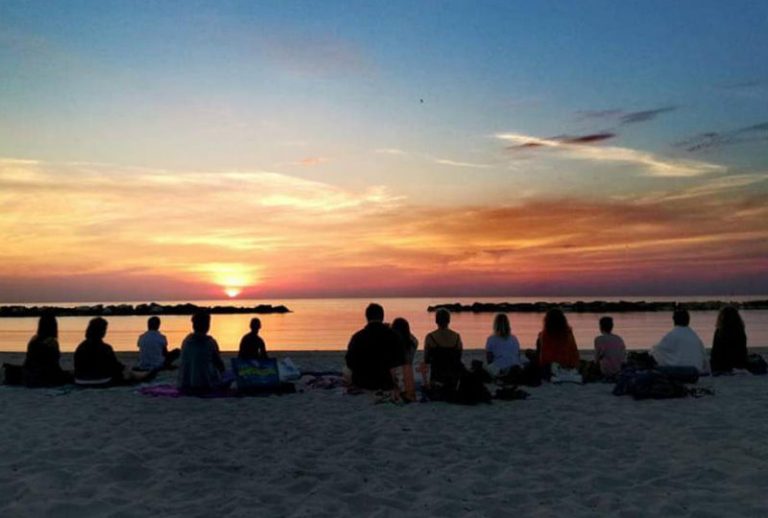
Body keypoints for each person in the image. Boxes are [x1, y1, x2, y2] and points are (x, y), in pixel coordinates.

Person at [345, 303, 404, 393]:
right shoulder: (393, 336)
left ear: (367, 317)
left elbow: (349, 361)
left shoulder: (357, 337)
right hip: (386, 381)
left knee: (345, 370)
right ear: (382, 317)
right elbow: (401, 359)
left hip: (362, 381)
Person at [74, 317, 150, 386]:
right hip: (100, 380)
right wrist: (124, 368)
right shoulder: (105, 348)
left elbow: (77, 365)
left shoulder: (80, 347)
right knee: (126, 373)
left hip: (80, 380)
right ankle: (139, 375)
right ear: (102, 332)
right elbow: (114, 366)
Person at [177, 311, 226, 394]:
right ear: (207, 325)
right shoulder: (210, 342)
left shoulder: (186, 341)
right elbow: (219, 364)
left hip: (185, 383)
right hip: (204, 384)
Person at [651, 309, 709, 373]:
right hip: (696, 371)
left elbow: (657, 351)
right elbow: (704, 356)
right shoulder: (695, 336)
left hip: (681, 371)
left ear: (674, 320)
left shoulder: (673, 334)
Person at [23, 312, 72, 387]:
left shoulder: (33, 339)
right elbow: (54, 362)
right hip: (45, 377)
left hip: (30, 376)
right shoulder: (51, 342)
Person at [423, 308, 464, 388]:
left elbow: (426, 359)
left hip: (437, 376)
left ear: (436, 321)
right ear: (449, 321)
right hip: (453, 378)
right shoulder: (456, 337)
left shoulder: (430, 337)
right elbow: (459, 356)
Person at [535, 308, 580, 374]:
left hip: (551, 366)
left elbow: (543, 356)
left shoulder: (544, 335)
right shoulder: (568, 333)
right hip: (568, 364)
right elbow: (574, 351)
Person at [710, 306, 748, 373]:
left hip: (722, 365)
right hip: (739, 364)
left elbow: (715, 353)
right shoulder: (740, 331)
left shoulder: (719, 332)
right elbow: (743, 350)